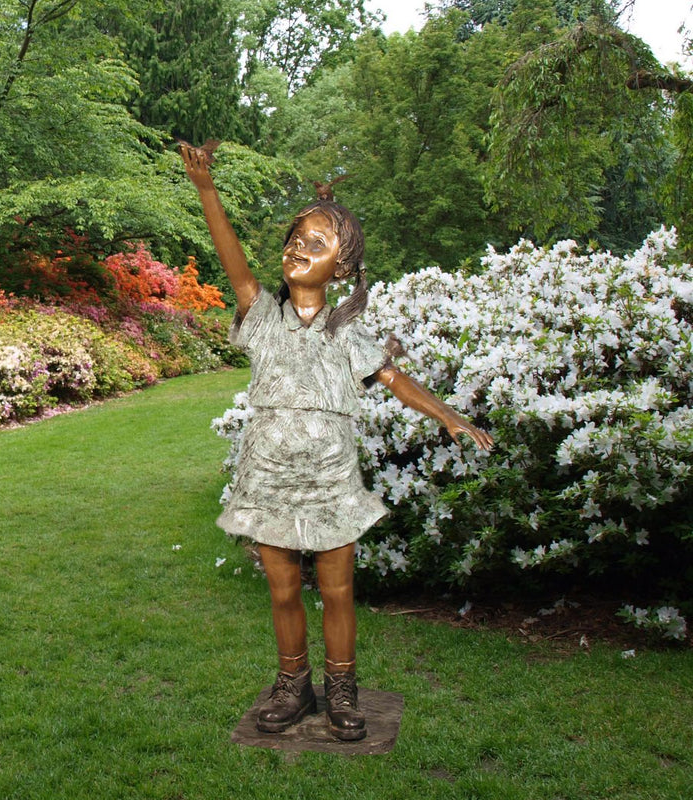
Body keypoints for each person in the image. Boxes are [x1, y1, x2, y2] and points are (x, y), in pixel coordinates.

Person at [180, 143, 493, 742]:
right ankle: (293, 685)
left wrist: (447, 414)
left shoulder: (349, 334)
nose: (299, 248)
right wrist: (206, 191)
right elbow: (234, 263)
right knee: (281, 591)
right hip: (269, 475)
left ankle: (343, 688)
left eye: (316, 243)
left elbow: (396, 380)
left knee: (338, 589)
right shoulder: (262, 318)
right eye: (296, 238)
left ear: (342, 269)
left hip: (329, 478)